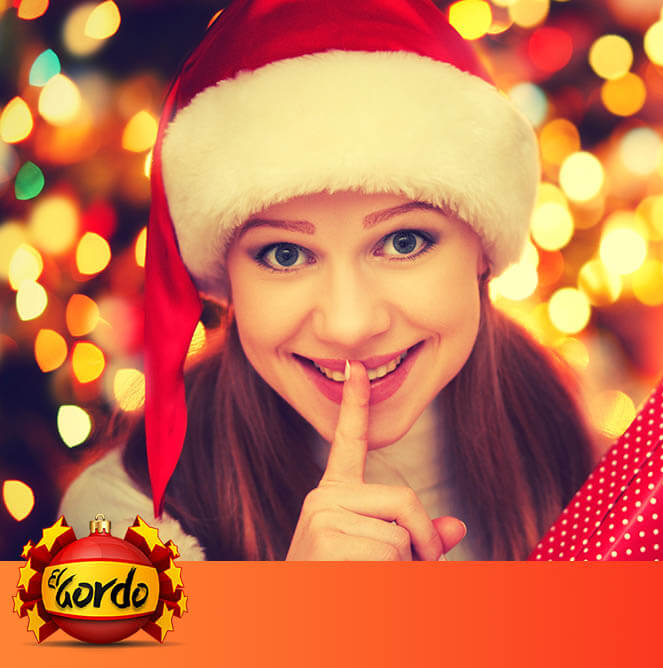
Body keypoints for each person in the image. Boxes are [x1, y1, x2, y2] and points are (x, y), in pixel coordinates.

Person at [58, 0, 600, 561]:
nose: (349, 326)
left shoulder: (594, 469)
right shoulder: (117, 528)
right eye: (286, 254)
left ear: (482, 249)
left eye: (403, 241)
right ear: (226, 282)